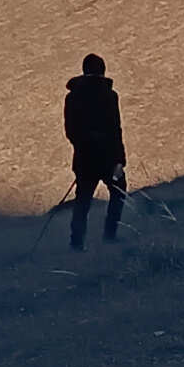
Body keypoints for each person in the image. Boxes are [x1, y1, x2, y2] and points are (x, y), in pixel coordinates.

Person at [64, 53, 126, 250]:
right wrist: (120, 160)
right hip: (109, 159)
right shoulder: (110, 96)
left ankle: (76, 242)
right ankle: (110, 235)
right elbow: (116, 129)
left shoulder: (73, 97)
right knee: (119, 192)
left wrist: (85, 145)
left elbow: (71, 131)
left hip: (84, 159)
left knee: (83, 200)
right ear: (102, 70)